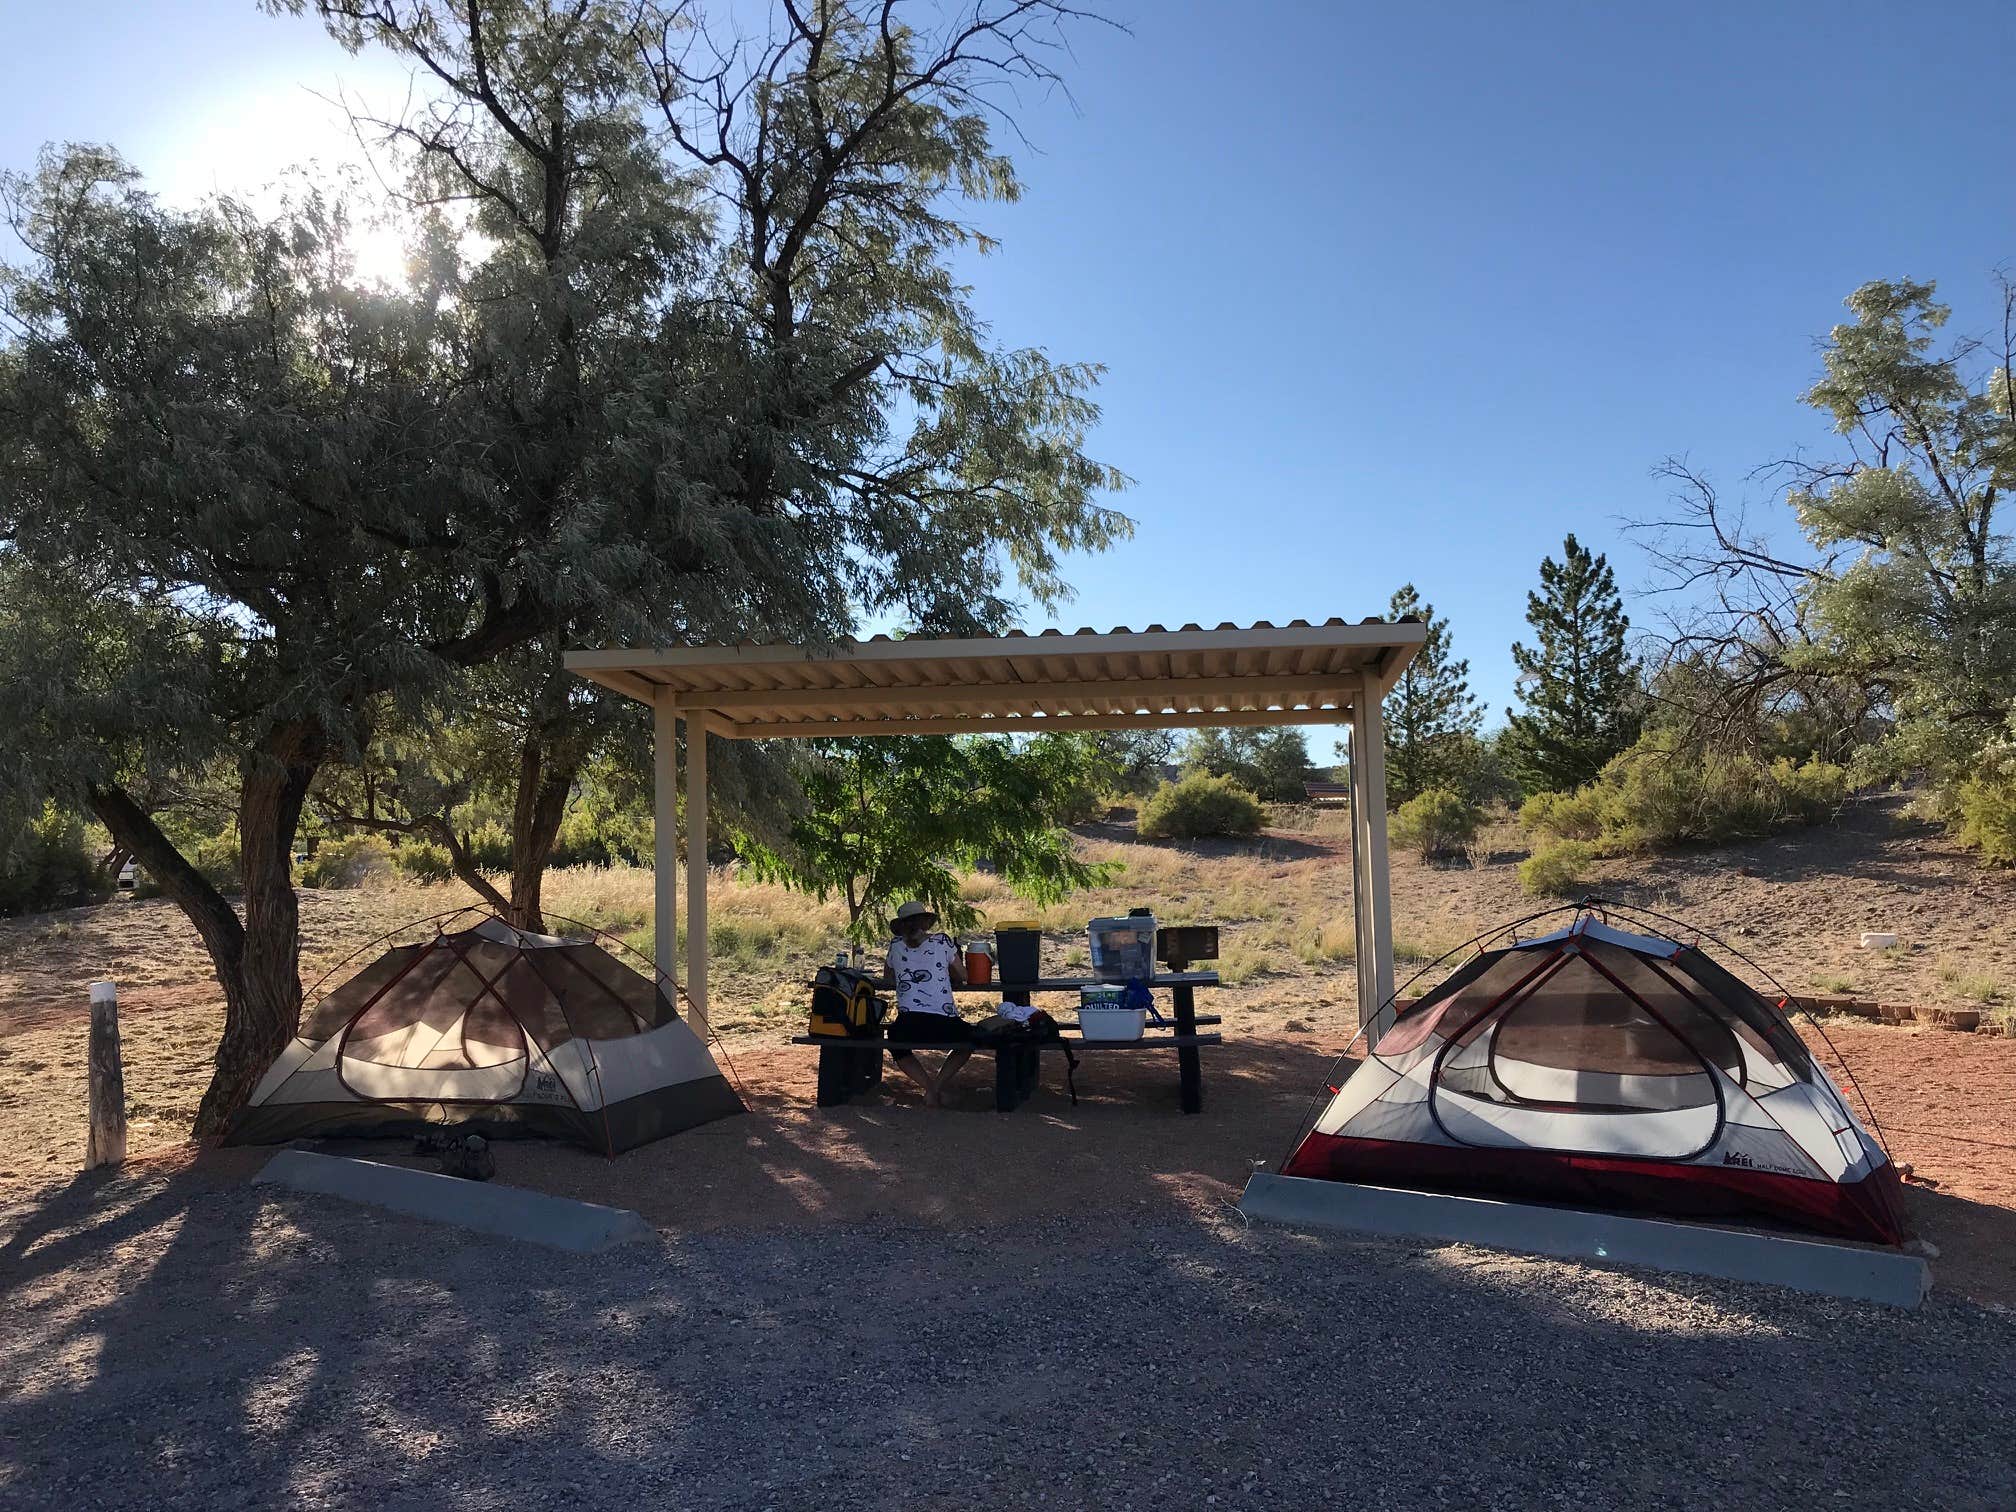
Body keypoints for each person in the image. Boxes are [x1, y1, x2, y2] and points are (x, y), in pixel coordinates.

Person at [884, 900, 970, 1107]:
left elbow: (888, 977)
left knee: (895, 1041)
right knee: (969, 1041)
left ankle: (929, 1088)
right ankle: (935, 1088)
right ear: (924, 922)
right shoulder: (942, 942)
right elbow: (963, 974)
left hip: (907, 1024)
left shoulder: (895, 945)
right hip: (944, 1022)